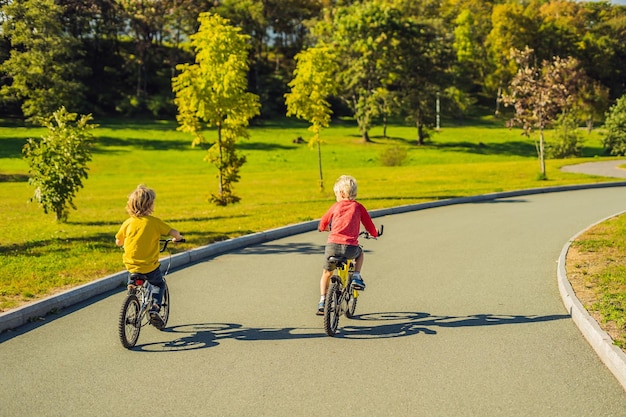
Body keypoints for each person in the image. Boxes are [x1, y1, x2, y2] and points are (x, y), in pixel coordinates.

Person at [115, 184, 184, 327]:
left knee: (134, 274)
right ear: (150, 205)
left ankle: (132, 288)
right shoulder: (155, 223)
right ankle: (155, 308)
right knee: (159, 284)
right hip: (150, 266)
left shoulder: (127, 223)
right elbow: (173, 232)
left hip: (132, 265)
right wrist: (178, 238)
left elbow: (118, 241)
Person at [317, 175, 378, 315]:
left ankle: (322, 301)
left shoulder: (335, 207)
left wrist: (323, 228)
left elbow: (323, 222)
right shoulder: (358, 207)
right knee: (360, 253)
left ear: (342, 193)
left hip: (332, 247)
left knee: (326, 273)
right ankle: (356, 275)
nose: (336, 197)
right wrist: (374, 234)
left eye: (336, 194)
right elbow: (369, 225)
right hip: (350, 248)